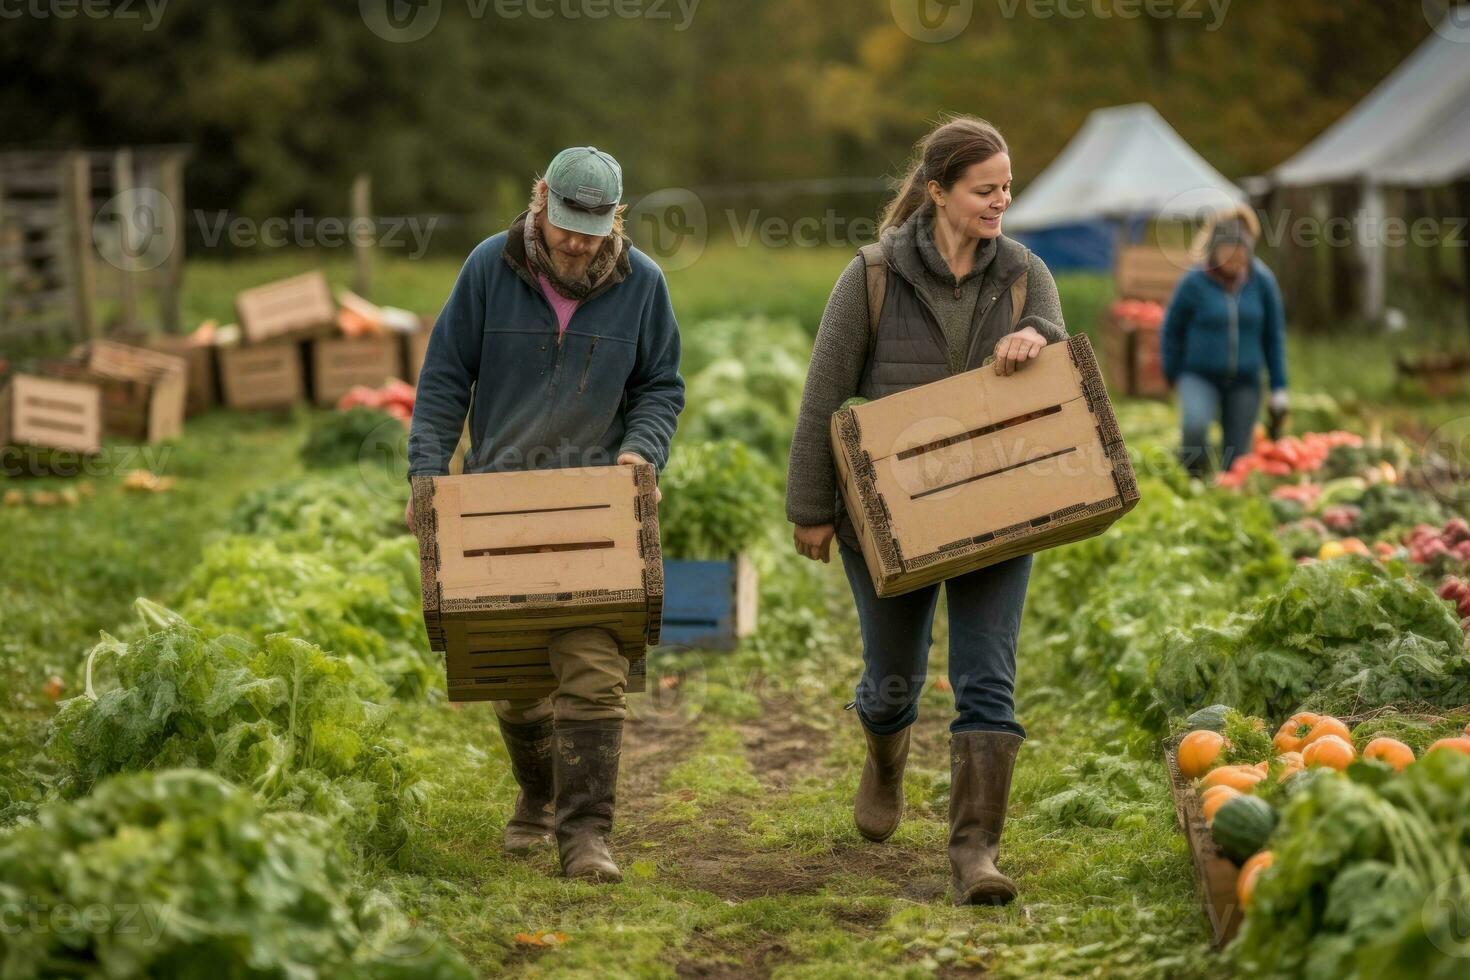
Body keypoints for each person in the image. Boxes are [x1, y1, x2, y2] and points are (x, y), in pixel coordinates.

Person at [784, 116, 1070, 907]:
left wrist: (1035, 339)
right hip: (889, 516)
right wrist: (810, 506)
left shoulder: (1022, 274)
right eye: (986, 189)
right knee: (893, 680)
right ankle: (885, 754)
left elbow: (1056, 343)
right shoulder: (872, 275)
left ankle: (975, 851)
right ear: (938, 190)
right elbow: (822, 396)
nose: (1001, 201)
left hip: (994, 507)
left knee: (988, 680)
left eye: (1008, 188)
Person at [406, 146, 685, 883]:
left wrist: (640, 452)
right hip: (497, 501)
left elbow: (661, 385)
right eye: (565, 225)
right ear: (540, 201)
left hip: (594, 507)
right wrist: (427, 481)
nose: (576, 243)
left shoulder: (643, 285)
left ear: (615, 218)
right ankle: (537, 795)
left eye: (592, 230)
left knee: (595, 666)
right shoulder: (487, 271)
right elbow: (442, 381)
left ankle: (586, 835)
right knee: (518, 678)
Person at [1161, 214, 1288, 477]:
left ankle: (1228, 493)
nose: (1235, 256)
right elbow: (1172, 331)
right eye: (1228, 249)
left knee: (1238, 456)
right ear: (1214, 250)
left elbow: (1273, 336)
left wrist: (1279, 386)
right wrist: (1172, 373)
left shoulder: (1262, 282)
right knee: (1194, 429)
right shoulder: (1194, 283)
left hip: (1245, 381)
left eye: (1241, 250)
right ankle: (1195, 482)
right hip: (1198, 375)